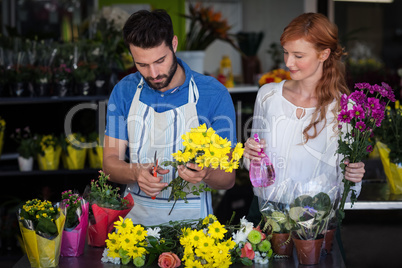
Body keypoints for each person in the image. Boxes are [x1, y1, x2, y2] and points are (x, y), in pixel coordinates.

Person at [103, 9, 237, 226]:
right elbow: (109, 164)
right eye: (142, 65)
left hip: (195, 231)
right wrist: (135, 171)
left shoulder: (213, 94)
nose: (153, 73)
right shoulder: (124, 91)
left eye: (160, 60)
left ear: (174, 44)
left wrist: (207, 172)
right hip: (133, 231)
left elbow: (228, 179)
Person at [243, 13, 366, 224]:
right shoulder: (268, 95)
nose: (289, 62)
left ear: (324, 54)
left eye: (298, 56)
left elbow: (348, 188)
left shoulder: (344, 108)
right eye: (286, 53)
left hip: (316, 220)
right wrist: (249, 154)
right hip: (264, 213)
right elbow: (254, 163)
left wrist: (354, 175)